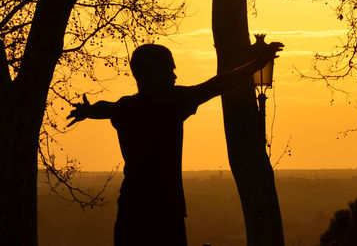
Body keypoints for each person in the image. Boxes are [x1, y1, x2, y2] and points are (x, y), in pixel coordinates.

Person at [67, 42, 283, 246]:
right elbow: (218, 84)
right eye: (169, 70)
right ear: (154, 74)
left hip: (131, 207)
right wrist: (256, 64)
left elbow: (105, 108)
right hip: (167, 210)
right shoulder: (172, 102)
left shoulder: (126, 108)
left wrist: (87, 111)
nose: (174, 75)